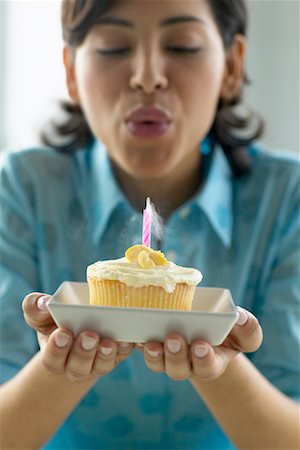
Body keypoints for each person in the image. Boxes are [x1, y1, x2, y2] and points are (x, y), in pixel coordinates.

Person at [0, 0, 299, 448]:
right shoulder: (25, 188)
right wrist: (58, 368)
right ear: (70, 70)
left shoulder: (286, 197)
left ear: (232, 66)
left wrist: (223, 362)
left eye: (182, 46)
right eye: (113, 47)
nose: (147, 76)